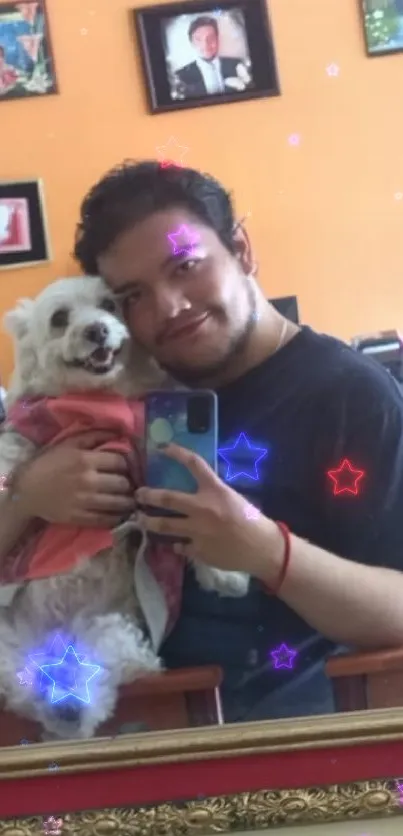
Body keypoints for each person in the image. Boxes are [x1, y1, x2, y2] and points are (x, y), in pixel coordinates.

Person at [2, 161, 403, 723]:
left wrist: (267, 552)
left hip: (285, 743)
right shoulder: (105, 401)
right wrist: (24, 497)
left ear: (240, 248)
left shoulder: (349, 396)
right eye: (133, 295)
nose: (169, 307)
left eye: (186, 265)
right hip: (113, 733)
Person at [173, 16, 251, 98]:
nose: (206, 44)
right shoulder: (181, 76)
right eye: (199, 40)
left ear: (217, 39)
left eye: (210, 38)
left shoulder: (237, 64)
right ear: (192, 43)